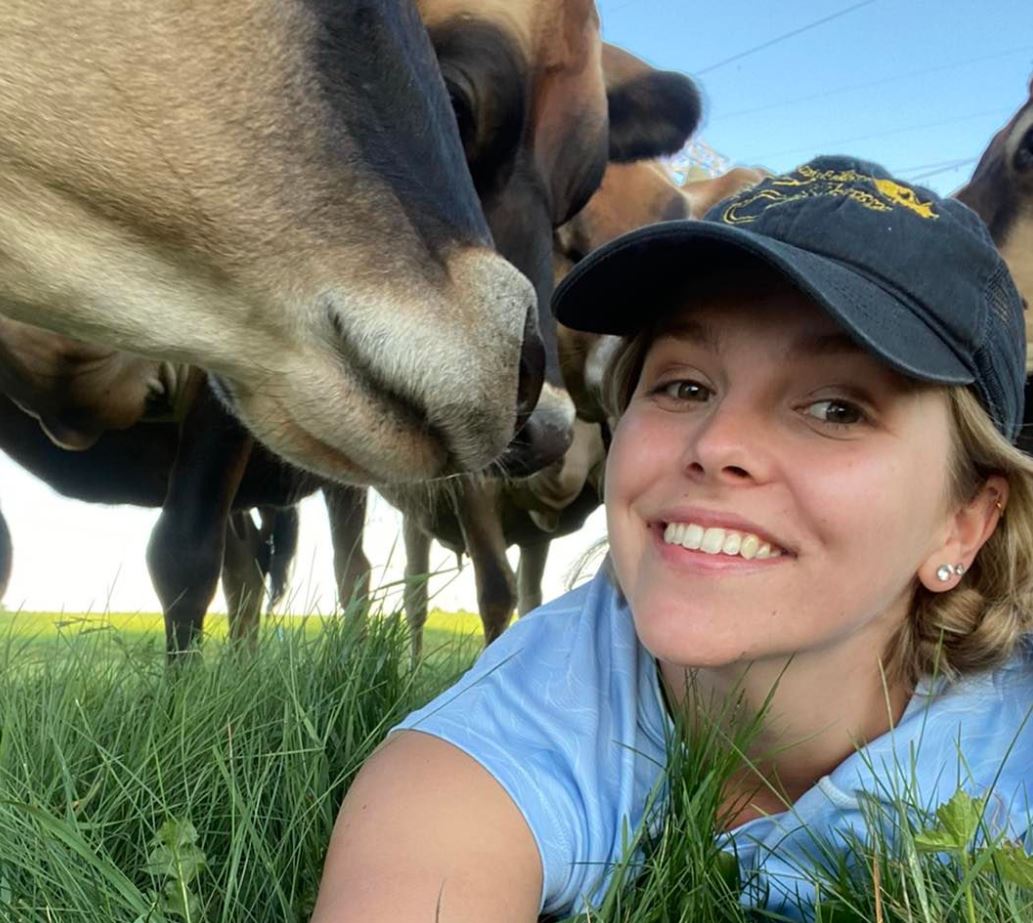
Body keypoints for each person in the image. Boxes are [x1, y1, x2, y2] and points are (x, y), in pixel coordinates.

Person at [310, 156, 1033, 922]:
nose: (717, 441)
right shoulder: (531, 719)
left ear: (965, 520)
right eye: (683, 386)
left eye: (835, 408)